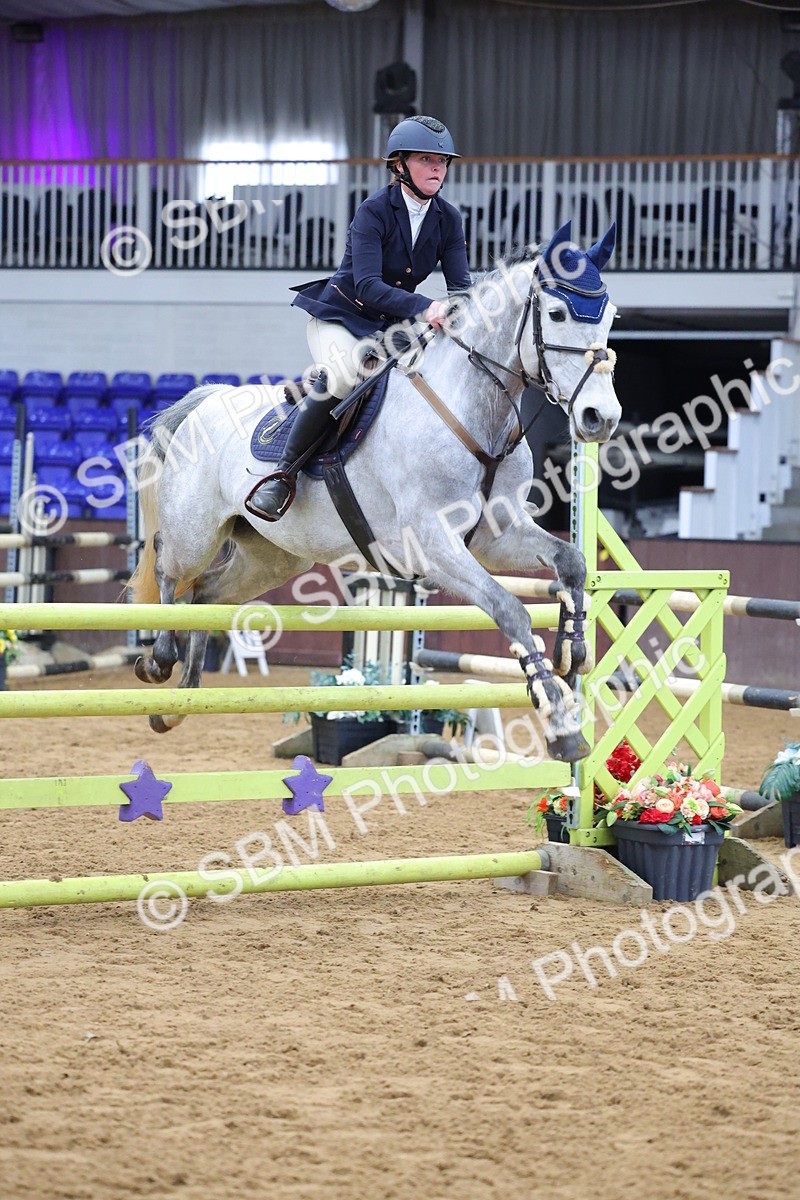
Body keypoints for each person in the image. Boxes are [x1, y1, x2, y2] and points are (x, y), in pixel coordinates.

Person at [247, 114, 472, 521]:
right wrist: (426, 307)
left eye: (442, 160)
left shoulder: (448, 218)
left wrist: (466, 308)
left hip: (392, 324)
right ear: (399, 165)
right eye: (426, 159)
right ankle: (283, 475)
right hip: (342, 315)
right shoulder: (373, 212)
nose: (438, 168)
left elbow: (461, 287)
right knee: (345, 374)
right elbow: (367, 286)